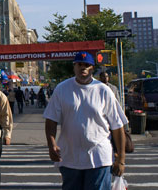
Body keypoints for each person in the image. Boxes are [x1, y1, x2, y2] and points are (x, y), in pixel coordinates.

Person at [43, 52, 128, 190]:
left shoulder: (103, 91)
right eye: (79, 64)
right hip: (70, 157)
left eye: (87, 65)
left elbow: (117, 127)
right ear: (74, 67)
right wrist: (51, 144)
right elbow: (51, 119)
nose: (83, 68)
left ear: (92, 68)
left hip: (99, 156)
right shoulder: (62, 89)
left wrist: (121, 160)